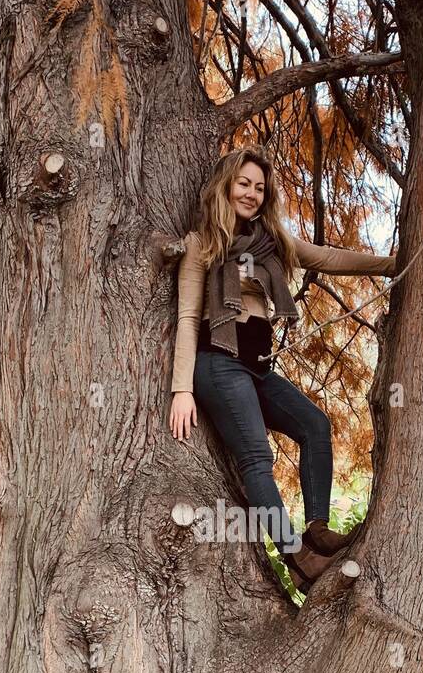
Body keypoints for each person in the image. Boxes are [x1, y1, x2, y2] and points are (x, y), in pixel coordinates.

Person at [168, 145, 396, 593]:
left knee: (314, 424)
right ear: (225, 186)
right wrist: (181, 389)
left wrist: (392, 264)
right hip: (218, 365)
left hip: (255, 369)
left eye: (259, 186)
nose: (251, 193)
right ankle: (295, 555)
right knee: (257, 457)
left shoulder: (272, 243)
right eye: (243, 183)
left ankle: (316, 529)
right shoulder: (202, 245)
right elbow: (187, 317)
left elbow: (328, 258)